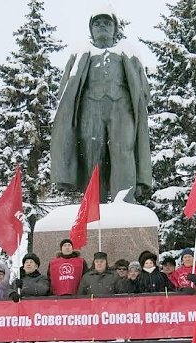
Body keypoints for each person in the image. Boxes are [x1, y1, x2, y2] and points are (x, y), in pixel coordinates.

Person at [50, 10, 152, 202]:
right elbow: (66, 88)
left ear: (115, 28)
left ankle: (124, 202)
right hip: (90, 110)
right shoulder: (81, 53)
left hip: (122, 109)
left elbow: (142, 87)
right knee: (92, 155)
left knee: (123, 152)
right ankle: (94, 205)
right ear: (91, 30)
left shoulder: (128, 53)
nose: (102, 25)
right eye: (97, 23)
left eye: (107, 22)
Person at [47, 238, 89, 343]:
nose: (67, 247)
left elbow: (86, 279)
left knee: (76, 336)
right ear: (61, 248)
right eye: (64, 245)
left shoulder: (81, 262)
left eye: (69, 245)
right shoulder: (53, 263)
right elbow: (49, 280)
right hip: (59, 304)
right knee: (60, 337)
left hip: (76, 303)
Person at [77, 252, 123, 343]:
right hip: (92, 317)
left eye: (102, 261)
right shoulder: (87, 277)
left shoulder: (114, 276)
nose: (99, 264)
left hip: (109, 317)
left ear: (106, 262)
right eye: (97, 261)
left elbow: (121, 295)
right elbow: (80, 296)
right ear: (94, 262)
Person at [130, 251, 174, 343]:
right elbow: (134, 292)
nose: (149, 264)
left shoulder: (161, 275)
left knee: (159, 337)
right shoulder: (140, 277)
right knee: (146, 337)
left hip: (159, 310)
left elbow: (170, 288)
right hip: (144, 312)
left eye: (150, 262)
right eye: (146, 262)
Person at [13, 253, 50, 343]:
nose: (28, 264)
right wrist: (12, 293)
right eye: (26, 262)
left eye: (31, 262)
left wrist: (23, 288)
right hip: (20, 319)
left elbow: (42, 289)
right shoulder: (19, 280)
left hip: (36, 319)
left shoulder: (42, 278)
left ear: (36, 266)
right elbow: (10, 290)